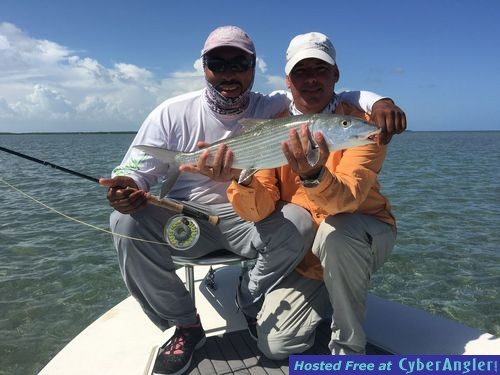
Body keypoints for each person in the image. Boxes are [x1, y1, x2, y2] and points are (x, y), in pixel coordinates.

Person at [99, 26, 404, 375]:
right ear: (204, 67)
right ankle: (185, 324)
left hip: (329, 232)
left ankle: (342, 351)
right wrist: (130, 182)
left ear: (254, 66)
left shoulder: (288, 109)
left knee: (331, 231)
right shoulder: (178, 112)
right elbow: (137, 164)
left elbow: (338, 108)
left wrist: (379, 101)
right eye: (218, 63)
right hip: (196, 217)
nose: (229, 73)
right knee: (124, 222)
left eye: (239, 63)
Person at [227, 32, 400, 357]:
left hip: (361, 233)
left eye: (319, 70)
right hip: (310, 257)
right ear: (288, 81)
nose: (310, 80)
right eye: (300, 72)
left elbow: (346, 201)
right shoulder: (274, 126)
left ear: (335, 74)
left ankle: (348, 353)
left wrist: (313, 175)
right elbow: (258, 211)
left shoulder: (362, 125)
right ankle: (331, 292)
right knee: (276, 346)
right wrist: (242, 179)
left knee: (337, 235)